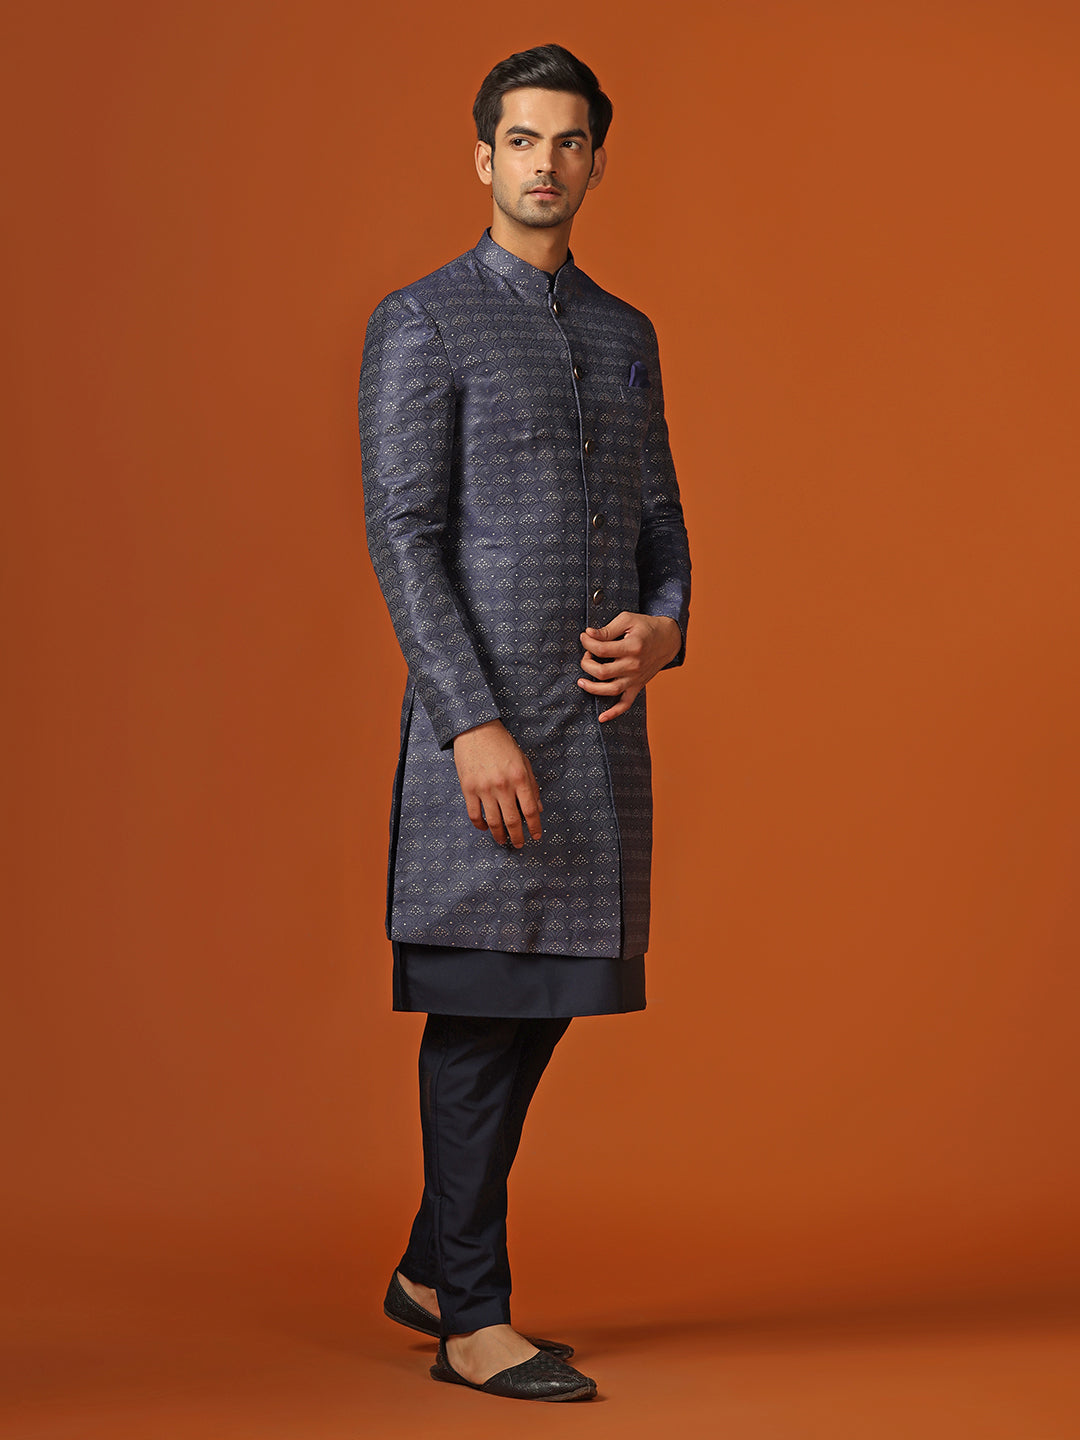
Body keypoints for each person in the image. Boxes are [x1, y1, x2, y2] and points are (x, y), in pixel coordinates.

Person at [357, 42, 691, 1402]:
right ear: (482, 157)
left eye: (568, 142)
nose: (544, 162)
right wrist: (468, 725)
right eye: (521, 139)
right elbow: (403, 535)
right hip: (483, 730)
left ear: (595, 163)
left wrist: (668, 629)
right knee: (478, 1010)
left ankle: (433, 1263)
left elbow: (664, 521)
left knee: (547, 998)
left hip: (597, 735)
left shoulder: (625, 333)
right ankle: (473, 1321)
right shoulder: (423, 321)